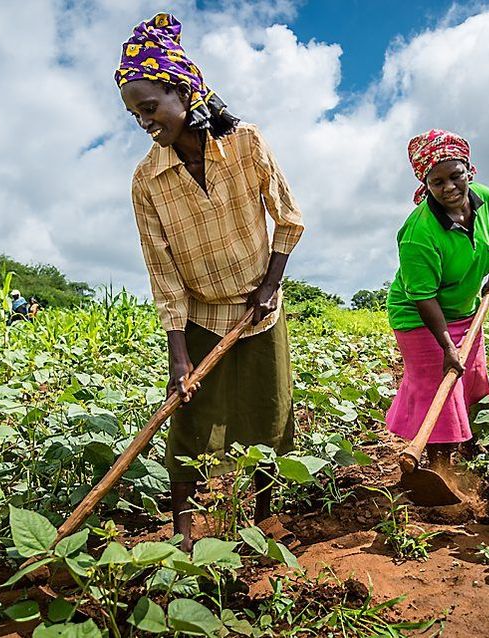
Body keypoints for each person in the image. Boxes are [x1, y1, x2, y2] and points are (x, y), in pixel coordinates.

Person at [117, 13, 305, 550]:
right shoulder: (145, 180)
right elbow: (163, 270)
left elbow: (288, 218)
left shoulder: (245, 143)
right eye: (134, 115)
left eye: (149, 108)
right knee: (189, 425)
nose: (144, 122)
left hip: (258, 307)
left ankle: (263, 519)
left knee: (268, 415)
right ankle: (183, 534)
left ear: (184, 93)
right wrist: (179, 356)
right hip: (200, 315)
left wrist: (269, 286)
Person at [385, 129, 489, 472]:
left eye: (456, 176)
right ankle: (440, 468)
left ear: (469, 170)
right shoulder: (418, 234)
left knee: (471, 376)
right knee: (439, 384)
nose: (449, 187)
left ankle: (467, 443)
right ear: (426, 184)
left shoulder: (487, 200)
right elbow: (423, 298)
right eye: (438, 182)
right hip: (421, 318)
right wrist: (446, 346)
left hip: (465, 310)